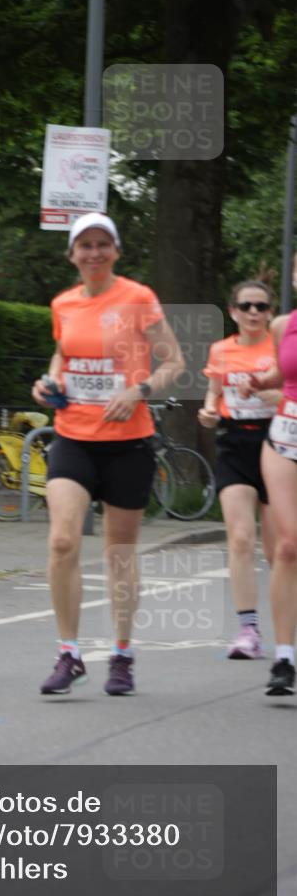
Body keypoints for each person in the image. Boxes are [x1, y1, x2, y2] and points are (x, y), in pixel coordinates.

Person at [32, 212, 184, 696]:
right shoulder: (63, 303)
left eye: (102, 244)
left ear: (115, 251)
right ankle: (69, 653)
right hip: (73, 437)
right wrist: (48, 381)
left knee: (119, 554)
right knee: (62, 541)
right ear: (72, 254)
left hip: (127, 444)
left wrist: (139, 391)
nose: (94, 253)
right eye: (85, 245)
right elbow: (63, 354)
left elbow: (174, 362)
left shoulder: (138, 298)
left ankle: (122, 654)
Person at [197, 281, 280, 659]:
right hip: (234, 445)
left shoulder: (280, 345)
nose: (253, 312)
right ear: (233, 311)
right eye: (246, 306)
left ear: (270, 312)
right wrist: (208, 412)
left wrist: (277, 395)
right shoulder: (221, 350)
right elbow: (213, 392)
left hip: (277, 444)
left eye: (261, 306)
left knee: (280, 551)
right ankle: (248, 630)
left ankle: (287, 628)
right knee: (241, 539)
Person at [241, 281, 297, 694]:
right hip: (285, 437)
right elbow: (283, 371)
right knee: (288, 546)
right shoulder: (282, 325)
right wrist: (260, 382)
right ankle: (284, 658)